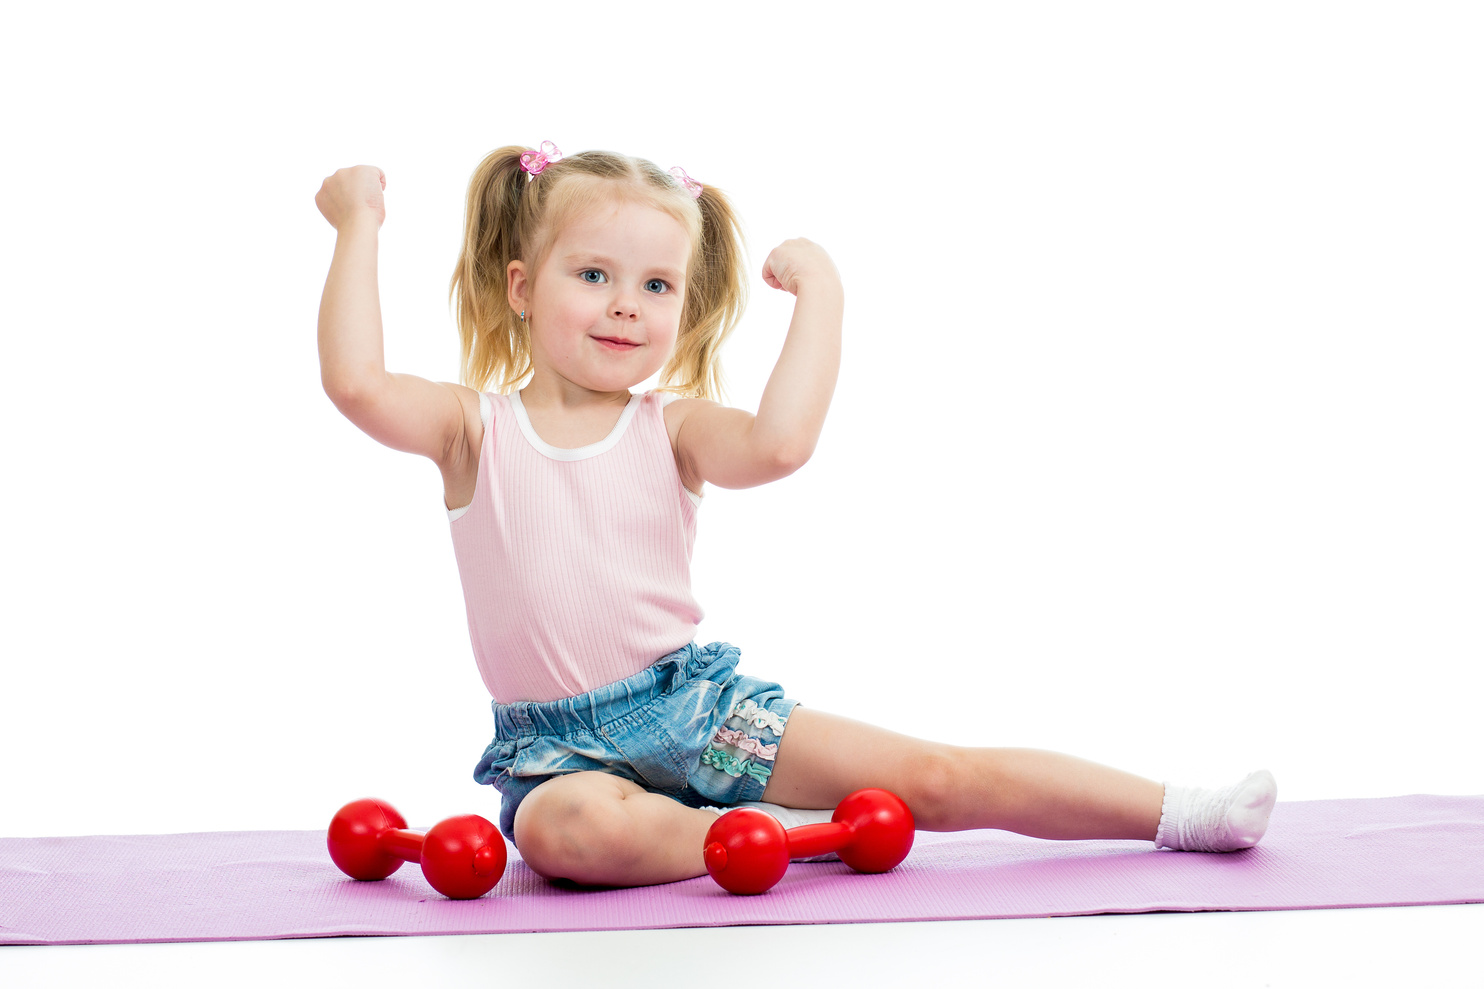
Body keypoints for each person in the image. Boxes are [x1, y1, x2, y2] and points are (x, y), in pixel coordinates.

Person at [313, 142, 1278, 889]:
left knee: (935, 779)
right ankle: (780, 837)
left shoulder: (674, 428)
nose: (624, 308)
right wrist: (360, 221)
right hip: (558, 751)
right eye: (592, 275)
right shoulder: (470, 429)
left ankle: (1183, 809)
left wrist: (822, 296)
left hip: (693, 709)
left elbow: (778, 446)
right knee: (569, 834)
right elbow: (356, 383)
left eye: (656, 286)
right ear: (522, 288)